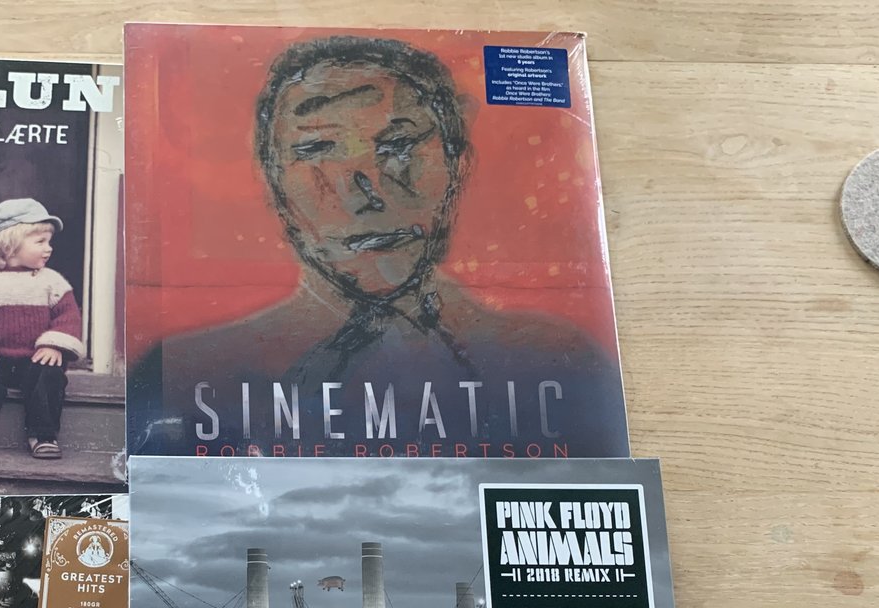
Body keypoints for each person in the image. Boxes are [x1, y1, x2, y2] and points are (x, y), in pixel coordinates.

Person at [129, 35, 629, 457]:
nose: (365, 190)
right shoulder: (188, 372)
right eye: (316, 150)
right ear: (274, 182)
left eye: (399, 145)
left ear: (457, 161)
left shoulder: (556, 361)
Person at [0, 198, 84, 460]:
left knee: (49, 375)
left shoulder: (52, 281)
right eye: (40, 242)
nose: (49, 248)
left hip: (36, 359)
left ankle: (43, 435)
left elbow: (68, 316)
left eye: (49, 241)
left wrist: (54, 345)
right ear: (9, 245)